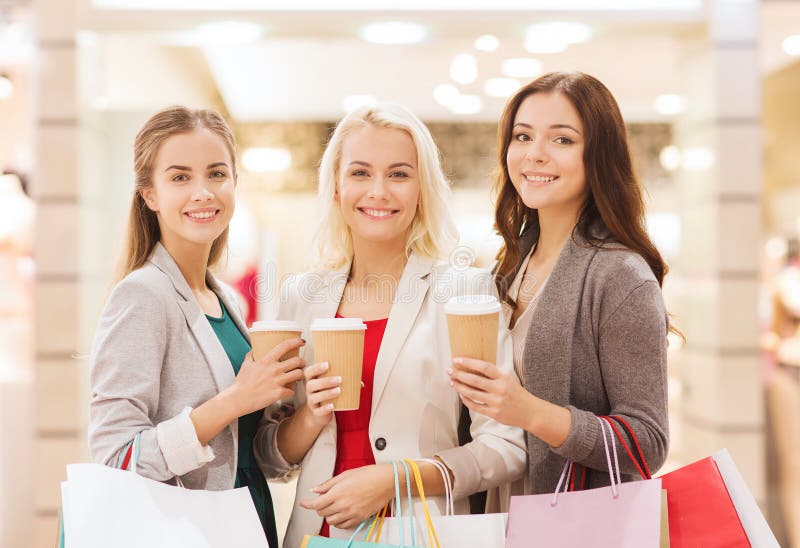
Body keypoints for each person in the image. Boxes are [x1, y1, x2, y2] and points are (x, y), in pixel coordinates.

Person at [257, 103, 526, 547]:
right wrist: (309, 416)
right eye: (360, 173)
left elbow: (506, 447)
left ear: (422, 190)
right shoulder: (299, 298)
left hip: (422, 533)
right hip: (317, 536)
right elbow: (268, 457)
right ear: (337, 189)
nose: (378, 191)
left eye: (399, 174)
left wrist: (395, 479)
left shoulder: (462, 293)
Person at [88, 106, 305, 547]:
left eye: (216, 174)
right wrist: (235, 400)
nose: (203, 192)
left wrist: (301, 408)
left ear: (235, 184)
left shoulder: (224, 300)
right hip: (184, 529)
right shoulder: (144, 295)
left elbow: (249, 453)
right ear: (149, 194)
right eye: (180, 177)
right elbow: (116, 459)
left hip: (244, 516)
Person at [449, 72, 672, 494]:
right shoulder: (511, 263)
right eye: (522, 136)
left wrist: (531, 412)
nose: (535, 155)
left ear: (599, 156)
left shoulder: (620, 276)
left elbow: (648, 444)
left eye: (562, 140)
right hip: (497, 517)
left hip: (573, 524)